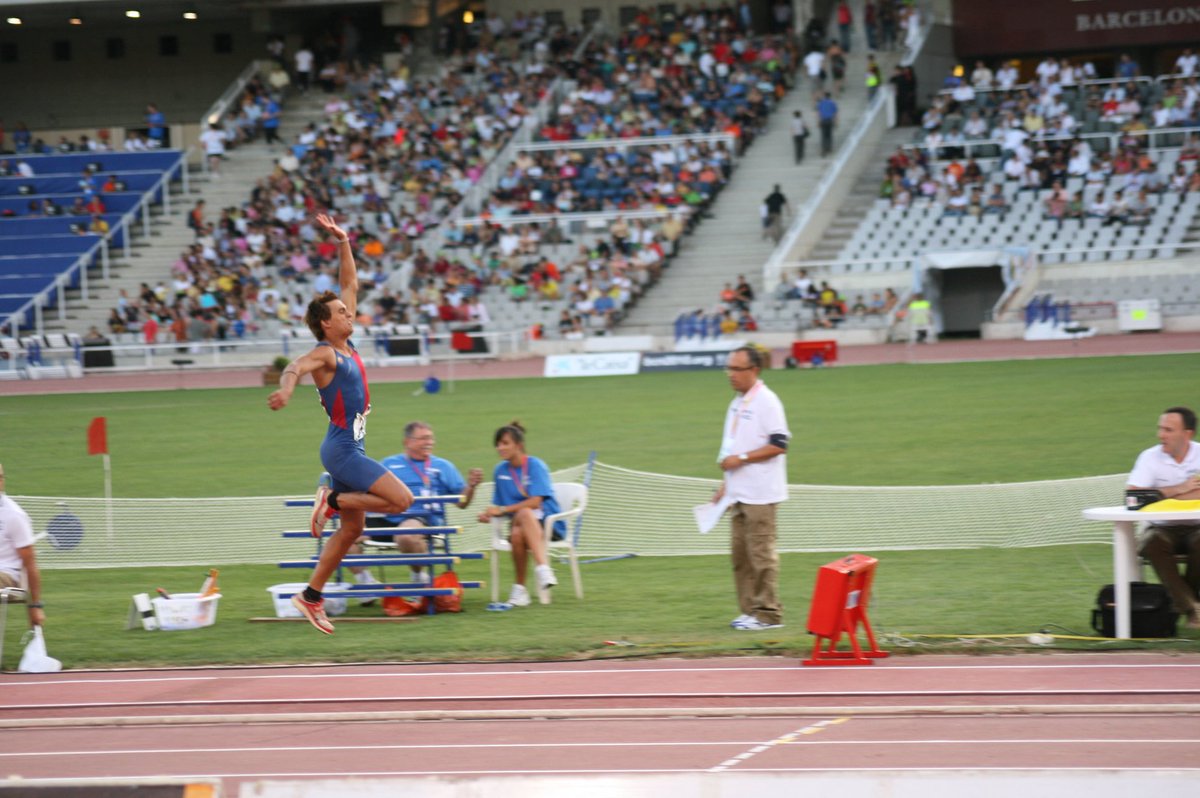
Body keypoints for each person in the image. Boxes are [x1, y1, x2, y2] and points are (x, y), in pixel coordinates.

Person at [267, 213, 415, 634]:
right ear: (326, 323)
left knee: (351, 533)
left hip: (353, 448)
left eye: (348, 310)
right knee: (401, 501)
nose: (350, 313)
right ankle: (330, 500)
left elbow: (349, 283)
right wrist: (287, 389)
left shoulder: (347, 344)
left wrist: (345, 241)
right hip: (342, 451)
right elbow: (296, 365)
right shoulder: (326, 354)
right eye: (341, 312)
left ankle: (310, 596)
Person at [713, 345, 790, 631]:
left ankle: (769, 613)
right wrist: (725, 483)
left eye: (737, 369)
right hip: (738, 492)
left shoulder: (767, 401)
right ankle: (750, 610)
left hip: (761, 492)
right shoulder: (737, 402)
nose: (730, 374)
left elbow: (779, 444)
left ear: (754, 370)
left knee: (761, 555)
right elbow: (736, 446)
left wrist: (741, 459)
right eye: (728, 368)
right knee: (740, 557)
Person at [360, 421, 483, 586]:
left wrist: (472, 486)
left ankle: (418, 575)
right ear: (407, 442)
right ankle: (366, 582)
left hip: (419, 518)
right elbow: (367, 490)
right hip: (386, 517)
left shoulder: (443, 466)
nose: (429, 442)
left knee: (406, 534)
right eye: (423, 438)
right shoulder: (389, 464)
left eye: (431, 438)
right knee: (345, 534)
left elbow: (462, 503)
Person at [1128, 406, 1200, 628]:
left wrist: (1157, 494)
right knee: (1152, 542)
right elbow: (1133, 498)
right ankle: (1192, 608)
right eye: (1160, 429)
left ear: (1187, 434)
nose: (1161, 435)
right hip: (1162, 528)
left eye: (1168, 430)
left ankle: (1181, 605)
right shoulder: (1150, 457)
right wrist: (1180, 488)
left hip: (1197, 527)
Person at [477, 421, 561, 607]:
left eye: (505, 443)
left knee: (519, 528)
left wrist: (503, 510)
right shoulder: (500, 471)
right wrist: (489, 515)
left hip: (547, 523)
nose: (500, 448)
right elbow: (501, 507)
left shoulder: (535, 465)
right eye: (498, 444)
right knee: (520, 519)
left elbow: (536, 501)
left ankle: (521, 588)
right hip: (517, 520)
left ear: (519, 445)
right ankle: (542, 570)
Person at [0, 464, 45, 630]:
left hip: (9, 575)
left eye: (0, 477)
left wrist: (35, 606)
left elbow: (30, 562)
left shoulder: (14, 515)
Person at [817, 92, 838, 156]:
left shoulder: (821, 103)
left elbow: (819, 113)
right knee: (829, 135)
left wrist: (818, 121)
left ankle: (823, 149)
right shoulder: (832, 103)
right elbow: (835, 113)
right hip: (830, 120)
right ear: (830, 96)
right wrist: (836, 122)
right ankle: (829, 148)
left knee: (823, 135)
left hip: (823, 120)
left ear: (824, 96)